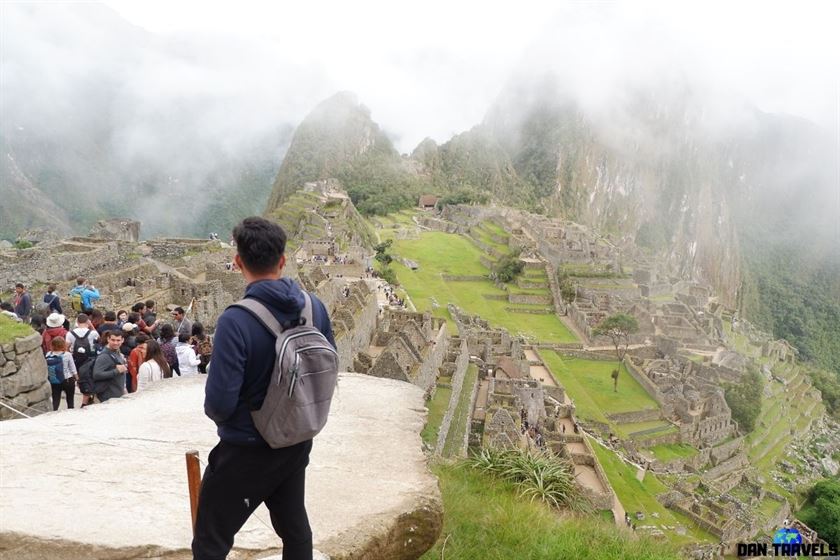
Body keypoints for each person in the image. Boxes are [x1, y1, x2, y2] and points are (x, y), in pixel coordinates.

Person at [192, 216, 335, 560]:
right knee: (294, 528)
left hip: (247, 450)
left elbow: (220, 402)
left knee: (210, 539)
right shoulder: (314, 308)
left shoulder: (236, 320)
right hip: (297, 440)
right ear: (283, 261)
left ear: (238, 261)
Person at [66, 313, 100, 406]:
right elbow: (99, 339)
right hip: (90, 359)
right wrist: (91, 325)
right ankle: (87, 397)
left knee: (79, 378)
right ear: (87, 322)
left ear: (77, 322)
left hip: (76, 359)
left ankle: (86, 396)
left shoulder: (70, 333)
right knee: (89, 377)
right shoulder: (92, 333)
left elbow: (67, 348)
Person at [91, 330, 127, 402]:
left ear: (122, 340)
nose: (115, 343)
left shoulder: (116, 352)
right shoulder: (104, 356)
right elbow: (96, 374)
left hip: (117, 394)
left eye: (118, 340)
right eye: (113, 340)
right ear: (108, 339)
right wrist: (116, 371)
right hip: (108, 396)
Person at [45, 337, 77, 410]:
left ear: (52, 345)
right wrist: (77, 378)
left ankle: (52, 416)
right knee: (70, 401)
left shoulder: (48, 354)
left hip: (55, 380)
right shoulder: (67, 354)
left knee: (55, 401)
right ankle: (71, 417)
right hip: (68, 380)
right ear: (64, 345)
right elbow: (73, 369)